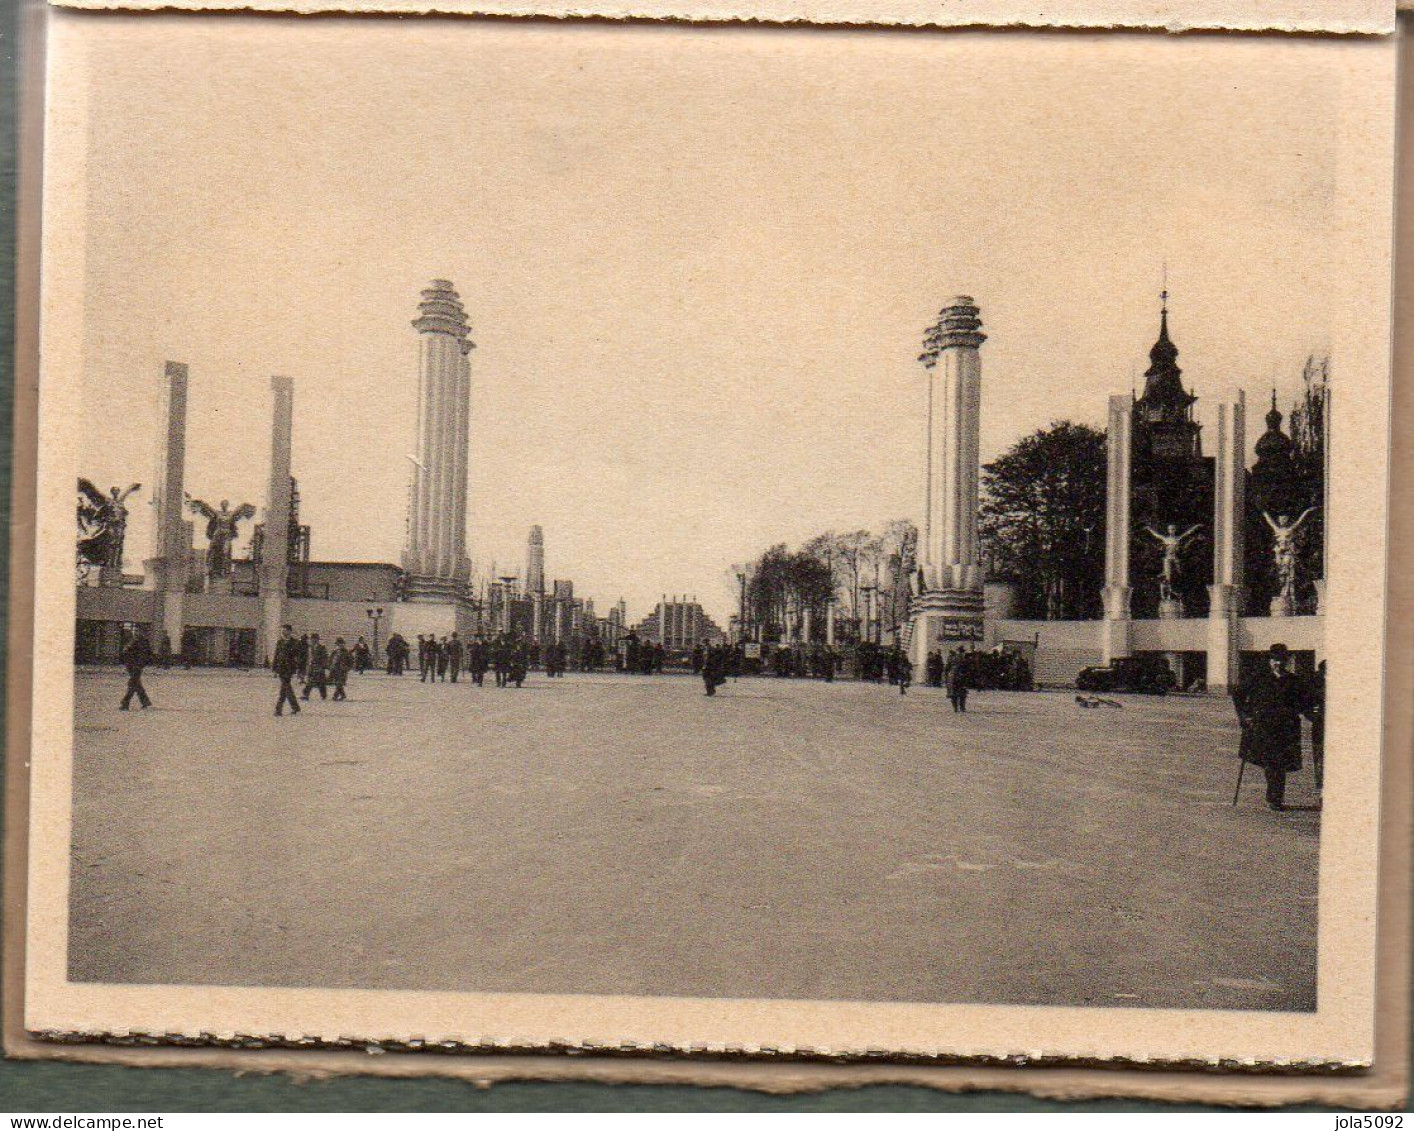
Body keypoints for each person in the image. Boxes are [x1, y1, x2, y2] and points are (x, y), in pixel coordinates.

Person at [1233, 643, 1315, 811]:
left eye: (1281, 660)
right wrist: (1245, 716)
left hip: (1286, 729)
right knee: (1271, 763)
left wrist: (1313, 715)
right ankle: (1274, 797)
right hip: (1264, 727)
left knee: (1279, 764)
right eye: (1275, 660)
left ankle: (1275, 798)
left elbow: (1305, 702)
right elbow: (1238, 695)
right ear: (1270, 660)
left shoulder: (1293, 680)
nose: (1278, 663)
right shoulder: (1258, 678)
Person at [118, 627, 154, 710]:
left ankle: (125, 703)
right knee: (136, 683)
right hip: (133, 665)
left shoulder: (141, 641)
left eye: (138, 631)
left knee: (133, 683)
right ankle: (145, 702)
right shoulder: (135, 640)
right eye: (135, 631)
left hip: (136, 665)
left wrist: (139, 665)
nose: (136, 632)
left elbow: (144, 655)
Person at [272, 624, 301, 717]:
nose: (283, 633)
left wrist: (297, 669)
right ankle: (294, 707)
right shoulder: (280, 642)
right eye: (282, 631)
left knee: (285, 688)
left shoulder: (295, 642)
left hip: (289, 668)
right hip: (280, 668)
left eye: (284, 631)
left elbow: (297, 656)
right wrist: (274, 669)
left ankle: (278, 710)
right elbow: (276, 656)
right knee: (285, 688)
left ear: (289, 631)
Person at [302, 632, 329, 701]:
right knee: (310, 681)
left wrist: (323, 666)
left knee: (320, 683)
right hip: (311, 667)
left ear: (317, 640)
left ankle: (323, 695)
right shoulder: (309, 647)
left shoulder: (322, 647)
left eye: (314, 639)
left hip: (319, 667)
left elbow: (325, 657)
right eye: (312, 639)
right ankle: (306, 695)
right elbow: (308, 657)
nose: (313, 640)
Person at [945, 648, 969, 713]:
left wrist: (947, 677)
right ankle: (961, 707)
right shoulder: (963, 659)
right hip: (960, 677)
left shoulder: (951, 658)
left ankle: (956, 707)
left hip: (952, 677)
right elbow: (966, 669)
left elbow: (946, 668)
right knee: (962, 693)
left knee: (954, 693)